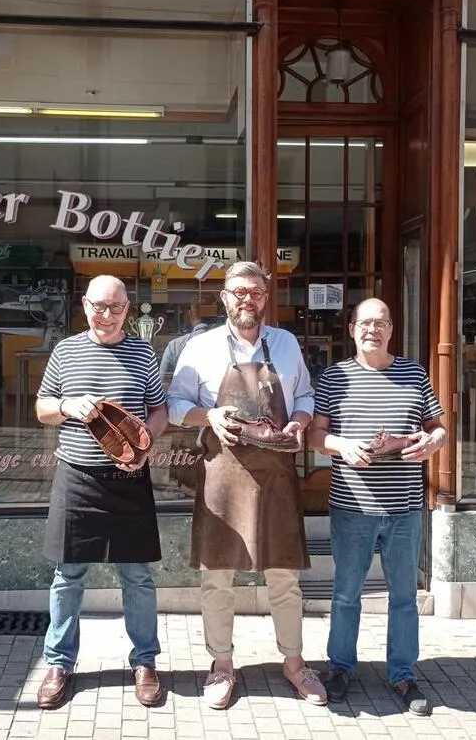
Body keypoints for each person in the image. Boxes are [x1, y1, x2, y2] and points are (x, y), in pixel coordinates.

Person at [166, 261, 325, 710]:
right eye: (239, 291)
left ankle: (295, 663)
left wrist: (299, 421)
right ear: (224, 298)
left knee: (284, 576)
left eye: (255, 292)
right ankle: (221, 665)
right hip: (223, 473)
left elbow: (306, 395)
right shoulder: (200, 347)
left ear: (265, 297)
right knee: (217, 577)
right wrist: (209, 415)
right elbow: (174, 404)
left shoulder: (286, 344)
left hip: (276, 474)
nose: (247, 299)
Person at [34, 275, 169, 710]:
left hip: (129, 480)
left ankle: (145, 662)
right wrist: (66, 406)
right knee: (67, 576)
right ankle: (59, 664)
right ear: (84, 304)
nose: (106, 315)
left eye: (115, 307)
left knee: (137, 577)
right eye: (98, 306)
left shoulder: (143, 353)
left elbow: (159, 410)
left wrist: (147, 442)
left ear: (127, 309)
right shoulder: (65, 351)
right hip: (76, 477)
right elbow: (42, 408)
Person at [307, 297, 446, 716]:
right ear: (352, 330)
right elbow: (315, 435)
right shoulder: (334, 377)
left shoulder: (414, 373)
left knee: (404, 596)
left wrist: (434, 442)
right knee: (346, 594)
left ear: (391, 330)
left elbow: (437, 427)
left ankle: (403, 674)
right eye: (365, 323)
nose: (373, 330)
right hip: (352, 506)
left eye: (381, 323)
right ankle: (340, 667)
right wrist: (341, 445)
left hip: (405, 507)